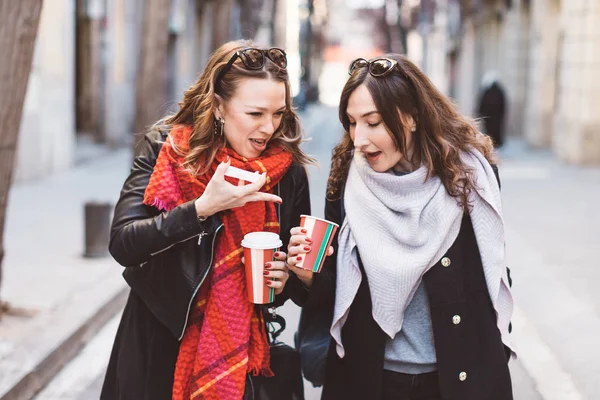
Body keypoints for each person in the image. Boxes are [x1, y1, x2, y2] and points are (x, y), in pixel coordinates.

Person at [288, 55, 515, 400]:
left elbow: (490, 273)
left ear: (410, 116)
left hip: (456, 379)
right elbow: (335, 283)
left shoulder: (470, 177)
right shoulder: (348, 181)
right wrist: (308, 273)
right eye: (352, 123)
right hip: (369, 378)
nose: (359, 139)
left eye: (373, 122)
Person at [100, 40, 314, 400]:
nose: (269, 128)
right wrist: (201, 208)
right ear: (218, 106)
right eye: (255, 113)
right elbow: (123, 242)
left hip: (241, 355)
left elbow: (297, 283)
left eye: (278, 114)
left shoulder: (287, 171)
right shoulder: (168, 149)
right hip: (156, 345)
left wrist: (291, 278)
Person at [477, 71, 507, 148]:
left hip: (491, 117)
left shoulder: (490, 91)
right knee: (491, 132)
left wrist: (480, 113)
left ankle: (494, 145)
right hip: (494, 117)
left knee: (491, 133)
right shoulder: (497, 91)